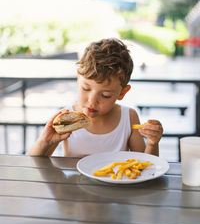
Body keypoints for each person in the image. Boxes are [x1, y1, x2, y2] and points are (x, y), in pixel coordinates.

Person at [27, 38, 163, 157]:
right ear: (78, 79)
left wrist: (152, 143)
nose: (92, 101)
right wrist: (45, 141)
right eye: (85, 88)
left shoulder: (129, 117)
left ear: (122, 93)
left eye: (105, 95)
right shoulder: (67, 118)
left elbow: (145, 166)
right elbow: (30, 166)